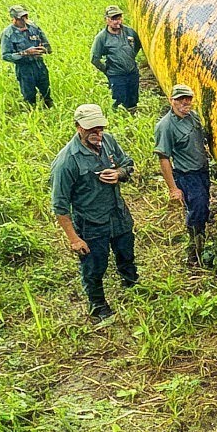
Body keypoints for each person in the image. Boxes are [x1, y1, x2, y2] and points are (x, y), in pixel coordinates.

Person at [51, 103, 139, 323]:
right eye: (91, 129)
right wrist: (74, 239)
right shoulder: (67, 161)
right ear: (78, 127)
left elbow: (127, 163)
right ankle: (98, 306)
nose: (97, 133)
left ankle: (131, 284)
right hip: (91, 222)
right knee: (94, 265)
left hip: (117, 213)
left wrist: (119, 173)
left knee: (126, 252)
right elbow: (60, 206)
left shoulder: (108, 141)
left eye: (100, 127)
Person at [154, 84, 211, 266]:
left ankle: (201, 237)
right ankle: (194, 252)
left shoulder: (193, 117)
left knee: (203, 205)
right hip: (186, 175)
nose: (185, 102)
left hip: (202, 170)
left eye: (188, 98)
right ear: (171, 100)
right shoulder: (165, 126)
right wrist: (173, 188)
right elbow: (164, 158)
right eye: (180, 99)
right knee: (197, 208)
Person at [90, 5, 143, 112]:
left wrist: (130, 58)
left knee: (133, 98)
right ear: (106, 20)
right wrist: (108, 71)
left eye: (119, 18)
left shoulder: (129, 32)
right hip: (116, 75)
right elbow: (95, 59)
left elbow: (137, 46)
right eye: (113, 19)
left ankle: (133, 117)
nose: (117, 21)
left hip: (132, 73)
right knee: (119, 100)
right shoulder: (102, 38)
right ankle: (120, 120)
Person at [0, 4, 53, 108]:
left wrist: (43, 49)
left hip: (39, 65)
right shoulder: (8, 34)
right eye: (21, 18)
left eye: (26, 17)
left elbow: (48, 47)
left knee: (46, 90)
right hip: (24, 68)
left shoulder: (33, 27)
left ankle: (49, 109)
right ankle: (32, 114)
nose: (24, 20)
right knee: (29, 95)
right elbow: (6, 55)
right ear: (14, 19)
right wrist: (25, 53)